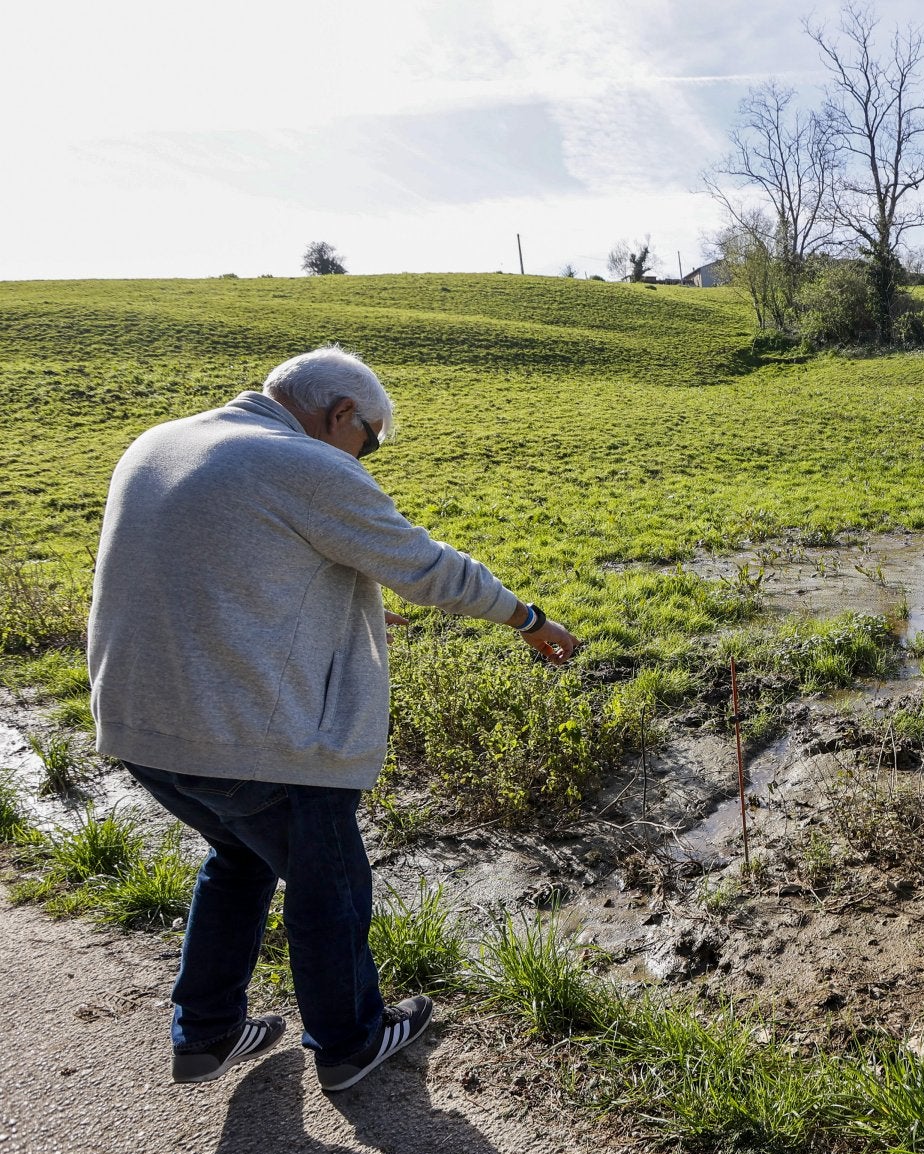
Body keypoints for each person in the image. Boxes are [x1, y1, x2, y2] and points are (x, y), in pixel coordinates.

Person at [87, 345, 578, 1091]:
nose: (368, 458)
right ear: (340, 414)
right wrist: (529, 618)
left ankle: (207, 1033)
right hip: (249, 735)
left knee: (241, 857)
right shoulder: (303, 464)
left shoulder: (161, 442)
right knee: (331, 885)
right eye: (370, 441)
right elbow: (430, 569)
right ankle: (351, 1041)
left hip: (140, 729)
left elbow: (235, 567)